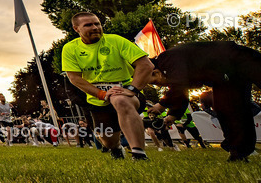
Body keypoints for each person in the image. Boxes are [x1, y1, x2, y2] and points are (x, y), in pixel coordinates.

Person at [146, 41, 261, 162]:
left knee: (230, 109)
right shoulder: (170, 66)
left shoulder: (167, 59)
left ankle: (239, 150)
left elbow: (179, 86)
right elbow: (182, 92)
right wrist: (172, 115)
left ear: (156, 73)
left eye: (154, 82)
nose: (158, 86)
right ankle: (238, 152)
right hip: (225, 76)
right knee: (226, 110)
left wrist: (161, 105)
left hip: (238, 59)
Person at [61, 12, 152, 161]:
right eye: (88, 25)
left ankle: (139, 153)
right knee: (107, 140)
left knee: (120, 99)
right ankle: (116, 148)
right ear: (76, 28)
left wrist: (132, 89)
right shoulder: (70, 49)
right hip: (98, 100)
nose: (95, 27)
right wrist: (102, 94)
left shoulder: (116, 41)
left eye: (97, 23)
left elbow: (146, 65)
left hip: (127, 93)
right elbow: (75, 78)